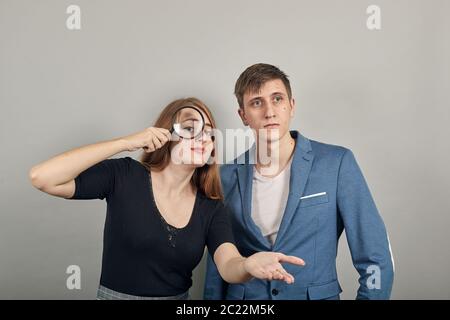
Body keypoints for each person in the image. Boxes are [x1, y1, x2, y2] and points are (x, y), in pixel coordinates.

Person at [29, 97, 305, 300]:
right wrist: (126, 142)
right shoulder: (125, 175)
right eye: (190, 128)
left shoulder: (210, 206)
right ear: (165, 135)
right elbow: (43, 177)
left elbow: (228, 264)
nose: (203, 137)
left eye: (208, 133)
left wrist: (248, 265)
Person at [204, 64, 394, 300]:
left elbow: (375, 255)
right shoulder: (223, 177)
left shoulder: (336, 163)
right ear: (243, 115)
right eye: (256, 102)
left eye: (277, 99)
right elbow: (217, 264)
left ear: (291, 106)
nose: (269, 112)